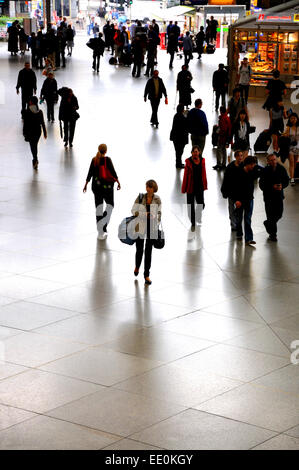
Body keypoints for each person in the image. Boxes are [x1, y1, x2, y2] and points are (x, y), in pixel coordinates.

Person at [83, 144, 121, 240]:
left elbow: (90, 173)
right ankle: (104, 224)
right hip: (107, 187)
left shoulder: (94, 160)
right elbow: (113, 172)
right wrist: (118, 182)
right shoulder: (107, 160)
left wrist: (86, 184)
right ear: (106, 151)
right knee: (110, 205)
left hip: (96, 187)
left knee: (99, 207)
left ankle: (100, 230)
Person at [131, 179, 161, 285]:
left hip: (151, 228)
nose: (147, 188)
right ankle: (137, 266)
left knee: (148, 251)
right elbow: (133, 210)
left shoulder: (157, 199)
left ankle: (146, 275)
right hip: (140, 226)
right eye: (147, 186)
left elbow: (159, 214)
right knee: (139, 249)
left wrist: (155, 218)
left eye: (150, 187)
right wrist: (144, 214)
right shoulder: (140, 197)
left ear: (154, 189)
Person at [229, 156, 261, 245]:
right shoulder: (238, 173)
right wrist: (236, 200)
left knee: (247, 219)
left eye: (254, 164)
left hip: (249, 199)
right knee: (239, 219)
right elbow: (233, 189)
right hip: (240, 200)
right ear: (247, 165)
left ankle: (249, 239)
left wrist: (256, 165)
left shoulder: (253, 172)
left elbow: (262, 170)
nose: (253, 166)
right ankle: (239, 233)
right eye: (252, 165)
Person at [259, 154, 289, 242]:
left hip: (279, 196)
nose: (274, 162)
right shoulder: (265, 171)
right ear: (268, 161)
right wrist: (272, 187)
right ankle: (273, 235)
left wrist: (282, 186)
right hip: (268, 197)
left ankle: (267, 223)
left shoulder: (281, 169)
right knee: (270, 215)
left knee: (279, 214)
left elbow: (286, 180)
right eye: (271, 160)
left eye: (275, 160)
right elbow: (261, 185)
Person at [182, 145, 208, 231]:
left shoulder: (202, 161)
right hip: (190, 186)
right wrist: (184, 187)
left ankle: (197, 216)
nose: (195, 153)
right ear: (192, 152)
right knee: (190, 205)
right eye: (194, 152)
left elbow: (204, 173)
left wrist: (205, 184)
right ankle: (193, 221)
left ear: (199, 152)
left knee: (201, 203)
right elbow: (185, 175)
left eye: (197, 151)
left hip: (200, 186)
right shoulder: (188, 162)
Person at [221, 150, 244, 231]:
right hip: (231, 192)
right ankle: (233, 225)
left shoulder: (243, 166)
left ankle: (238, 223)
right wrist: (224, 191)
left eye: (242, 156)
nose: (241, 157)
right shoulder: (230, 167)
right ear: (236, 157)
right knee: (231, 209)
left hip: (240, 192)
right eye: (239, 156)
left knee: (239, 209)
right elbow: (226, 180)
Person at [23, 96, 47, 170]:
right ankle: (35, 160)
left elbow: (25, 123)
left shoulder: (27, 111)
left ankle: (35, 159)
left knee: (33, 146)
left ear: (31, 102)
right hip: (38, 131)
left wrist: (24, 132)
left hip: (30, 131)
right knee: (34, 145)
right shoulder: (39, 111)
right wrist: (45, 132)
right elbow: (42, 122)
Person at [170, 104, 188, 169]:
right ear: (182, 110)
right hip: (181, 138)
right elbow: (186, 125)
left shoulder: (176, 116)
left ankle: (178, 163)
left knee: (177, 151)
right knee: (180, 151)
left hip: (175, 137)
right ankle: (178, 164)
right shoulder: (182, 117)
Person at [213, 106, 231, 170]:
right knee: (223, 151)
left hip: (222, 137)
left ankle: (219, 164)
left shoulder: (223, 118)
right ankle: (224, 164)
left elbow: (223, 129)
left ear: (220, 111)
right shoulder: (227, 117)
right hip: (226, 137)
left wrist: (218, 132)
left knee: (219, 150)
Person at [284, 112, 299, 185]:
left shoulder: (298, 127)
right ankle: (292, 178)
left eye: (295, 118)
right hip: (290, 147)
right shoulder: (288, 127)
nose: (293, 119)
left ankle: (292, 175)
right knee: (292, 163)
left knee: (295, 163)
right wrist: (286, 135)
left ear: (297, 119)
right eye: (292, 118)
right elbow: (284, 135)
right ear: (289, 119)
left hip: (298, 147)